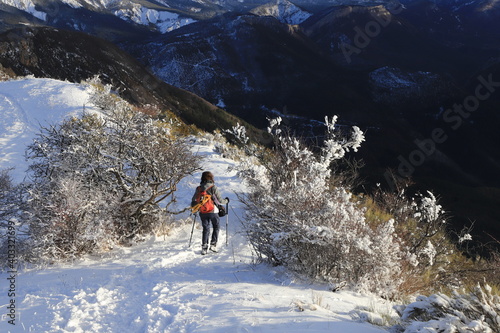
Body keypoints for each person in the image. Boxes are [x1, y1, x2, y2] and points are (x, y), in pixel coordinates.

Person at [191, 171, 228, 255]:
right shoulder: (213, 187)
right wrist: (227, 201)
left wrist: (196, 208)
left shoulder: (199, 188)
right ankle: (213, 245)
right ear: (211, 178)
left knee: (206, 228)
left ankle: (204, 247)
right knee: (216, 226)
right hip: (213, 211)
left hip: (202, 211)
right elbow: (220, 201)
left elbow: (193, 200)